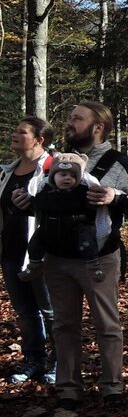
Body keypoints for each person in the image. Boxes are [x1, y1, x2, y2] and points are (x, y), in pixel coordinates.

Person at [13, 102, 128, 409]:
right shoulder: (54, 161)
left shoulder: (117, 163)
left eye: (77, 119)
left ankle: (112, 388)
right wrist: (25, 202)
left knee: (106, 324)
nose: (69, 122)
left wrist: (114, 197)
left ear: (97, 127)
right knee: (64, 326)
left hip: (98, 258)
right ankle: (68, 389)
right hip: (57, 260)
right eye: (70, 118)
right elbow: (45, 203)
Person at [0, 117, 55, 384]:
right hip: (10, 252)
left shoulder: (52, 168)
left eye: (21, 132)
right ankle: (34, 361)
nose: (14, 135)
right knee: (25, 312)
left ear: (39, 139)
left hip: (42, 254)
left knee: (50, 311)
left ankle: (58, 365)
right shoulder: (6, 172)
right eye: (15, 130)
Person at [20, 153, 111, 284]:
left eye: (73, 176)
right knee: (35, 241)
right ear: (53, 177)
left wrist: (95, 198)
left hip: (76, 228)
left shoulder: (82, 191)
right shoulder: (45, 190)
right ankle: (34, 264)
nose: (68, 178)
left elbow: (92, 206)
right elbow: (37, 204)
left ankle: (93, 266)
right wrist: (26, 200)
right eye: (63, 175)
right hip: (50, 229)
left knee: (87, 240)